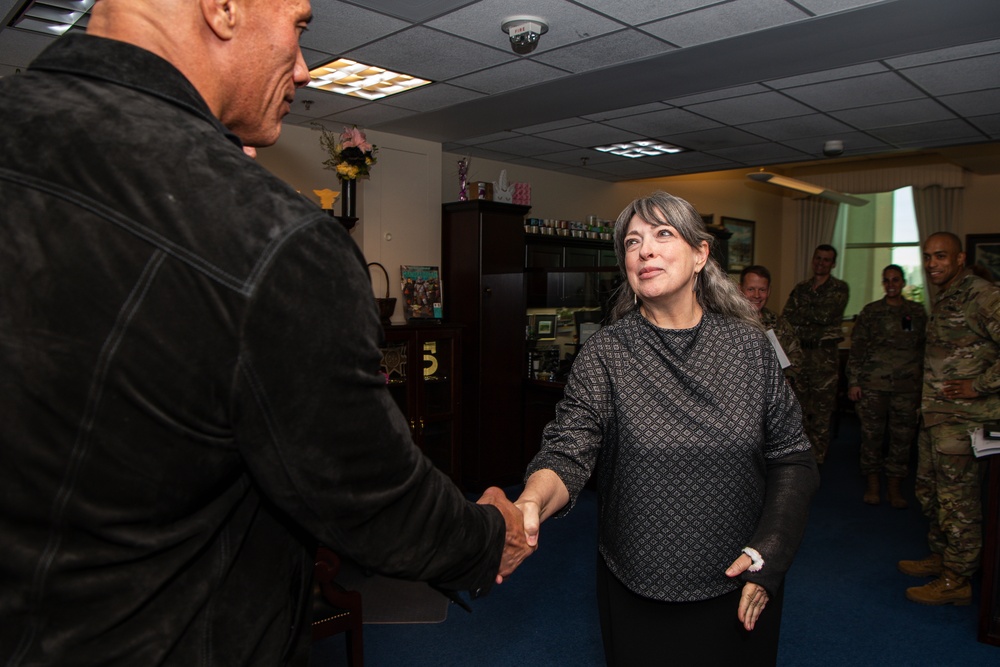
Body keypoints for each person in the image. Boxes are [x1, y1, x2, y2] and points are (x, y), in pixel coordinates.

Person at [0, 1, 532, 665]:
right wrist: (491, 536)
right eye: (300, 24)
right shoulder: (272, 237)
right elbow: (372, 496)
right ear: (222, 8)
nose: (305, 69)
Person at [515, 192, 819, 666]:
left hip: (741, 582)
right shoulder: (606, 354)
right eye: (632, 242)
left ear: (700, 254)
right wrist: (531, 501)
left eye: (663, 234)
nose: (645, 250)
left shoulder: (749, 348)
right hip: (638, 585)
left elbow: (793, 458)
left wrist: (771, 554)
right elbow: (567, 452)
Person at [898, 232, 1000, 606]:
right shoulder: (947, 296)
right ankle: (942, 557)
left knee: (959, 501)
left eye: (941, 256)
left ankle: (958, 578)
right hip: (937, 416)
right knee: (931, 492)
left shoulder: (982, 294)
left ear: (960, 259)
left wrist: (980, 384)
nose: (932, 264)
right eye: (927, 257)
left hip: (965, 420)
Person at [846, 265, 927, 507]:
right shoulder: (871, 312)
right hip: (874, 385)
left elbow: (924, 350)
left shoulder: (916, 312)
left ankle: (894, 485)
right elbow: (857, 349)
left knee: (902, 438)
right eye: (887, 280)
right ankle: (873, 482)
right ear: (883, 283)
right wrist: (854, 381)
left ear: (903, 283)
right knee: (872, 437)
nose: (891, 284)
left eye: (895, 280)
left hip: (906, 387)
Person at [782, 244, 850, 463]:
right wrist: (809, 315)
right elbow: (788, 318)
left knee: (821, 413)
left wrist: (806, 314)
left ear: (833, 264)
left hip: (824, 360)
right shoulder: (801, 288)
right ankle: (801, 459)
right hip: (801, 358)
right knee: (799, 410)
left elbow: (825, 315)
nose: (821, 263)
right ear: (813, 260)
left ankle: (818, 459)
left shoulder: (839, 288)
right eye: (818, 258)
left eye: (826, 260)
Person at [739, 264, 803, 385]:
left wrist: (787, 378)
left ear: (769, 291)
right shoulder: (726, 322)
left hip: (774, 394)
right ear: (740, 289)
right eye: (751, 289)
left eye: (762, 290)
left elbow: (796, 354)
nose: (757, 295)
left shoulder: (779, 323)